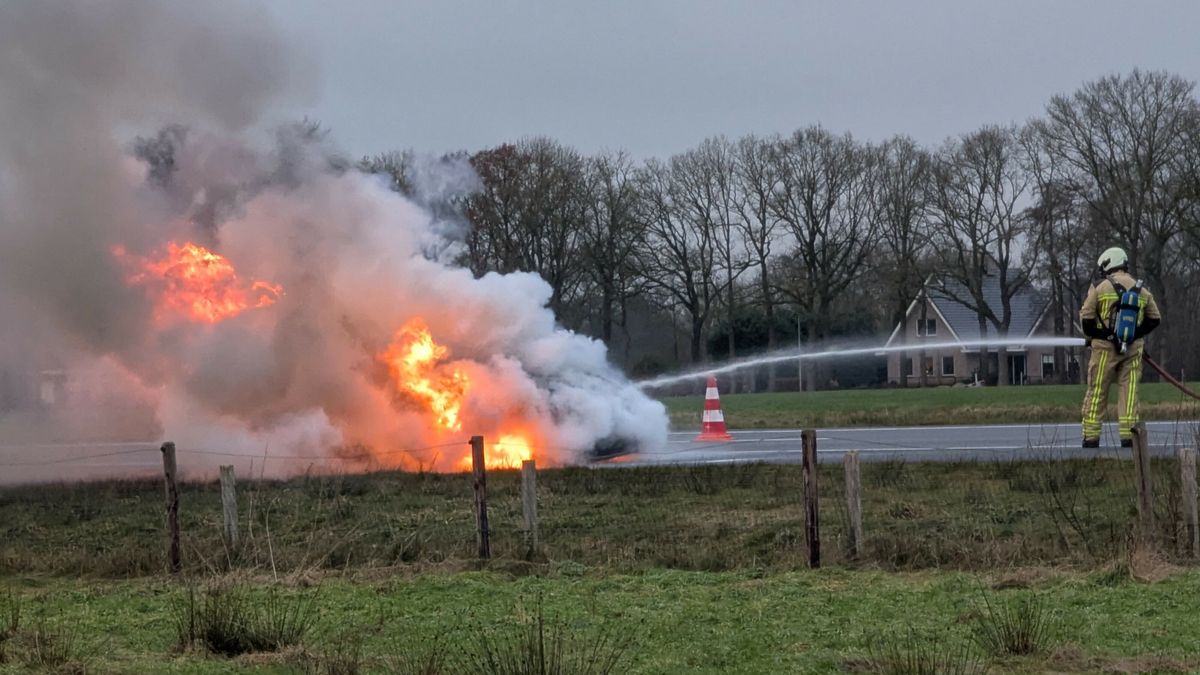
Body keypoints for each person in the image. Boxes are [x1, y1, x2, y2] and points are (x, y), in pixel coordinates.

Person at [1079, 246, 1161, 448]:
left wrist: (1101, 336)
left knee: (1097, 391)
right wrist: (1133, 335)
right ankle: (1128, 437)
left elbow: (1086, 319)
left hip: (1104, 350)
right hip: (1133, 350)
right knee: (1129, 392)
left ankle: (1091, 438)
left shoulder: (1099, 286)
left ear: (1107, 264)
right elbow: (1155, 319)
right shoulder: (1141, 289)